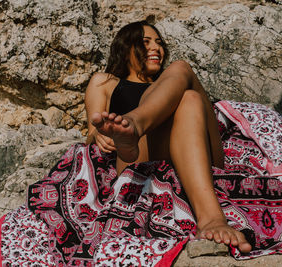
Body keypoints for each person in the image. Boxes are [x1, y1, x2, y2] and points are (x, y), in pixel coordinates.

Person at [84, 19, 252, 253]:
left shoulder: (173, 79)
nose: (156, 48)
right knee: (186, 91)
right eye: (145, 42)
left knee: (188, 92)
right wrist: (100, 136)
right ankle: (210, 217)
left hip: (194, 149)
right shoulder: (105, 82)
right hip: (137, 155)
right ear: (125, 48)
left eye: (159, 43)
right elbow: (93, 133)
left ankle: (135, 122)